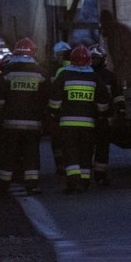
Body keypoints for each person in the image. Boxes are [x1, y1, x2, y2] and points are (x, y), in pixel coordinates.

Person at [48, 45, 111, 194]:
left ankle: (73, 184)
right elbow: (103, 100)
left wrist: (53, 113)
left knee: (70, 153)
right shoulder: (94, 77)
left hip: (67, 124)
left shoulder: (63, 76)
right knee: (86, 153)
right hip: (88, 125)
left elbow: (55, 99)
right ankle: (84, 181)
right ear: (89, 61)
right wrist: (102, 114)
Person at [0, 38, 50, 194]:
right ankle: (32, 185)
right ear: (33, 53)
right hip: (33, 124)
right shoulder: (41, 73)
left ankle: (3, 185)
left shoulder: (7, 74)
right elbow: (47, 99)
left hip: (10, 124)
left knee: (9, 154)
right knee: (31, 154)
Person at [90, 44, 124, 185]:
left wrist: (121, 109)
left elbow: (117, 95)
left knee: (100, 148)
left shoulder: (106, 76)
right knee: (99, 148)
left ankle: (98, 175)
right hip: (98, 118)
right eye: (92, 58)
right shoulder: (93, 75)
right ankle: (98, 176)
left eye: (95, 58)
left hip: (98, 118)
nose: (93, 61)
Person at [47, 40, 72, 175]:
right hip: (66, 109)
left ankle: (63, 164)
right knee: (60, 140)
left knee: (62, 139)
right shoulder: (54, 69)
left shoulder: (57, 70)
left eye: (63, 54)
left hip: (62, 110)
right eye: (59, 54)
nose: (61, 57)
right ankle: (63, 164)